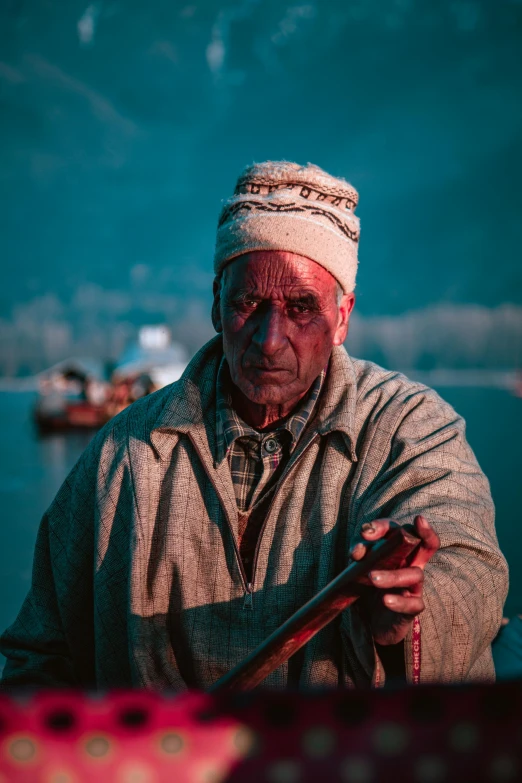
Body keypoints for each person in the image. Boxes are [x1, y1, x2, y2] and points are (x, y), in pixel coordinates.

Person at [0, 161, 508, 689]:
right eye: (249, 303)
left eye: (302, 307)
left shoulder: (413, 428)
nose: (269, 339)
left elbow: (469, 567)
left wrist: (407, 613)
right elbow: (40, 651)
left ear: (343, 317)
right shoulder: (125, 455)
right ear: (217, 306)